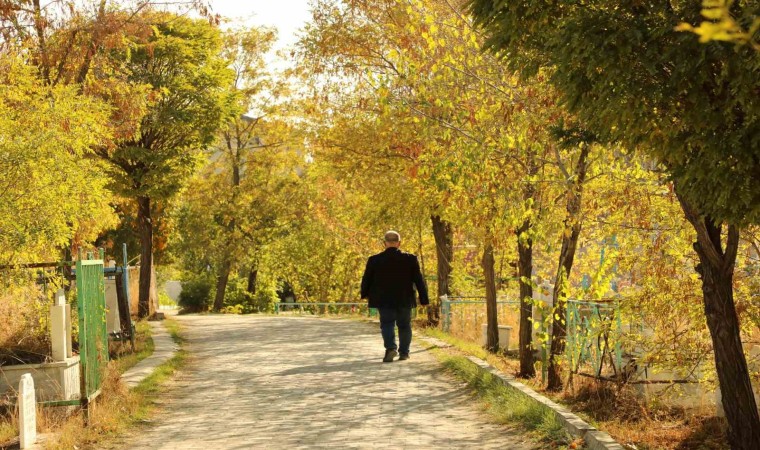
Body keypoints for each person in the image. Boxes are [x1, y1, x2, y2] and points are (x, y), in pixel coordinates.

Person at [360, 230, 429, 362]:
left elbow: (367, 279)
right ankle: (404, 353)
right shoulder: (410, 259)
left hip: (384, 299)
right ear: (399, 243)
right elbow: (418, 280)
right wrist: (424, 298)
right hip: (405, 298)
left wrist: (364, 294)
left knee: (387, 324)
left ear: (385, 243)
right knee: (404, 325)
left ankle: (391, 348)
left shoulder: (374, 260)